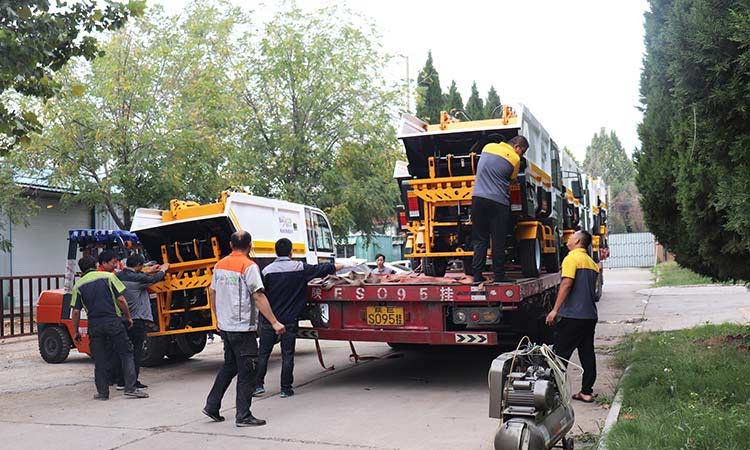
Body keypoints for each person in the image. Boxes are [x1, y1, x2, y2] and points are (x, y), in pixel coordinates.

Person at [202, 231, 286, 427]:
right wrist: (274, 322)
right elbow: (258, 296)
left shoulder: (219, 265)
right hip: (241, 327)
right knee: (248, 370)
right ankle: (243, 415)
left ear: (231, 245)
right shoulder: (249, 266)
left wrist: (217, 317)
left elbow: (212, 292)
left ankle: (212, 405)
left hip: (226, 326)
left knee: (230, 366)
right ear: (250, 245)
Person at [254, 238, 347, 398]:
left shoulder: (266, 271)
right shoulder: (299, 267)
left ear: (275, 252)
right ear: (291, 252)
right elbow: (322, 269)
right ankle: (285, 388)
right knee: (287, 354)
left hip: (270, 320)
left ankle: (258, 386)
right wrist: (341, 265)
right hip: (290, 319)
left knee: (263, 353)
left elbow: (260, 295)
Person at [70, 255, 149, 400]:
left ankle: (102, 393)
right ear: (95, 264)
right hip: (113, 321)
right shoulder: (109, 277)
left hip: (94, 325)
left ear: (81, 270)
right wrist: (128, 317)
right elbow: (121, 299)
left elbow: (75, 312)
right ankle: (130, 387)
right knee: (126, 353)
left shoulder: (78, 285)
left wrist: (75, 331)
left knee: (99, 359)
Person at [545, 230, 600, 403]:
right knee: (587, 353)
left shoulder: (571, 258)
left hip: (573, 315)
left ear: (577, 241)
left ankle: (554, 393)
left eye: (570, 237)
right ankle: (586, 391)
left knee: (559, 354)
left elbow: (567, 284)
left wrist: (555, 310)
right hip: (589, 316)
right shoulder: (592, 263)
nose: (567, 239)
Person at [467, 135, 529, 284]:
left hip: (477, 199)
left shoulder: (487, 147)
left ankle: (477, 276)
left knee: (480, 240)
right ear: (517, 147)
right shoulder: (515, 159)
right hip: (498, 202)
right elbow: (512, 178)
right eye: (523, 151)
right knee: (497, 240)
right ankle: (499, 276)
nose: (521, 155)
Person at [110, 254, 169, 390]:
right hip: (136, 320)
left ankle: (120, 381)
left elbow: (141, 275)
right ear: (138, 265)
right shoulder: (137, 279)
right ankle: (132, 382)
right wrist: (163, 269)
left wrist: (150, 269)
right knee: (136, 352)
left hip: (121, 318)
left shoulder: (118, 276)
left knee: (123, 351)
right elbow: (154, 279)